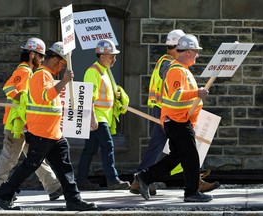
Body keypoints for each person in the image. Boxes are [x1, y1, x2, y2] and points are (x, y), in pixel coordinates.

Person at [0, 42, 97, 211]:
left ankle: (73, 199)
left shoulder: (46, 75)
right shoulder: (41, 75)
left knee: (64, 167)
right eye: (62, 63)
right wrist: (64, 81)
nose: (63, 67)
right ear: (55, 59)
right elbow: (47, 96)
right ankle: (3, 196)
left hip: (53, 133)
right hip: (42, 131)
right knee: (31, 165)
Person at [130, 30, 220, 196]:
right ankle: (192, 192)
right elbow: (176, 95)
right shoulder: (177, 70)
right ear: (187, 52)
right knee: (191, 157)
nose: (197, 56)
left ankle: (143, 177)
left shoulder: (182, 69)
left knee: (176, 157)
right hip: (177, 120)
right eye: (195, 52)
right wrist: (197, 94)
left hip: (177, 120)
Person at [0, 38, 62, 204]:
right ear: (32, 54)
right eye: (40, 56)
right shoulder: (25, 71)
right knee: (10, 157)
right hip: (17, 123)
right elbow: (8, 88)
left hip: (25, 123)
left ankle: (54, 187)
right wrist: (24, 98)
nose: (43, 59)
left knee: (34, 157)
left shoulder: (30, 72)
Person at [76, 39, 130, 190]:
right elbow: (89, 97)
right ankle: (112, 180)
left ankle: (81, 181)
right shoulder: (93, 72)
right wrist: (92, 118)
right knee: (108, 146)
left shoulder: (105, 72)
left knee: (90, 150)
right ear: (102, 56)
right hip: (97, 117)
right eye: (112, 55)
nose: (114, 59)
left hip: (102, 117)